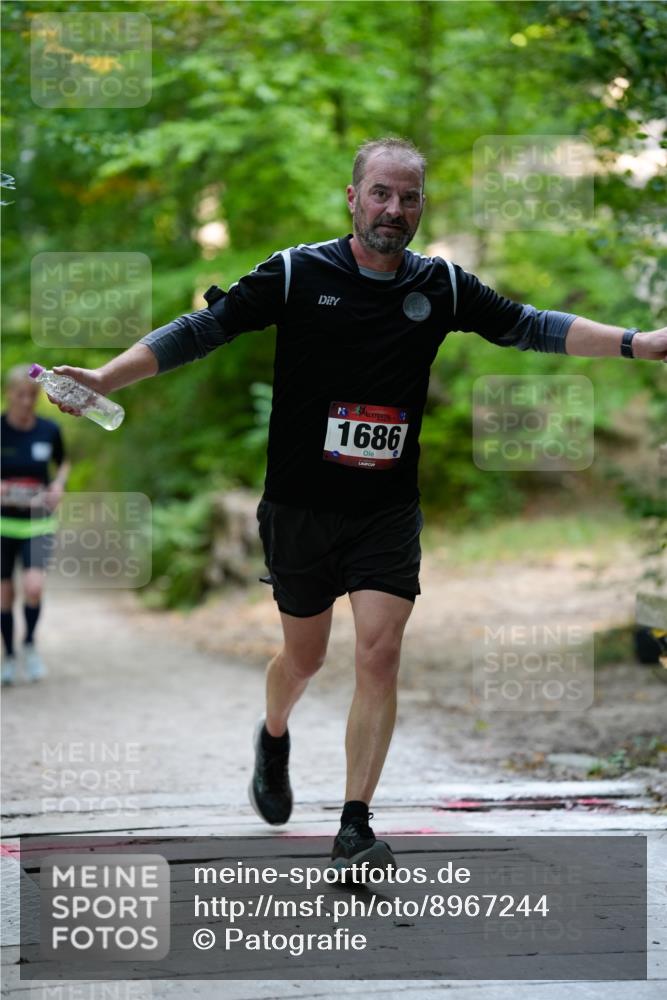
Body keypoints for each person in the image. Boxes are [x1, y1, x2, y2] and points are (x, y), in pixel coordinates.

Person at [45, 137, 667, 875]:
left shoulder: (442, 286)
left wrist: (641, 343)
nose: (393, 209)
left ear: (420, 206)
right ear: (352, 196)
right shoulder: (294, 273)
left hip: (384, 509)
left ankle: (354, 823)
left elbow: (531, 324)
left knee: (379, 652)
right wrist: (108, 380)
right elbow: (200, 329)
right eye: (380, 193)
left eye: (408, 197)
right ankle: (274, 734)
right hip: (300, 508)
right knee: (302, 658)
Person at [1, 364, 69, 685]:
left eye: (32, 395)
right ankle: (9, 656)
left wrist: (58, 486)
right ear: (8, 395)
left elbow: (64, 462)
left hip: (38, 522)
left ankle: (28, 643)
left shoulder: (49, 430)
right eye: (20, 395)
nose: (27, 402)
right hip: (3, 524)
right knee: (4, 595)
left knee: (33, 587)